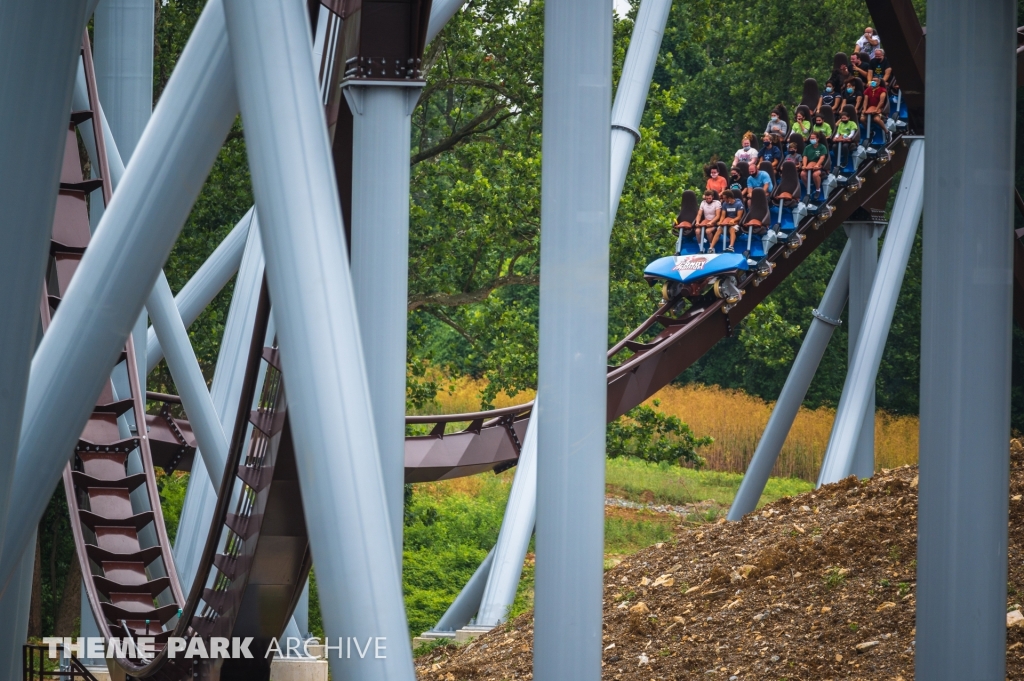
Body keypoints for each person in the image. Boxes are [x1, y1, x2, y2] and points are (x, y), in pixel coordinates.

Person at [801, 132, 828, 200]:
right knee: (802, 174)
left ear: (817, 139)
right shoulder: (807, 147)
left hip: (819, 165)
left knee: (815, 175)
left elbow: (822, 158)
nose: (811, 139)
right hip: (809, 165)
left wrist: (817, 165)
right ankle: (808, 189)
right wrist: (804, 165)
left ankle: (818, 190)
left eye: (813, 138)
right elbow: (805, 157)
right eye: (811, 138)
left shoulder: (822, 147)